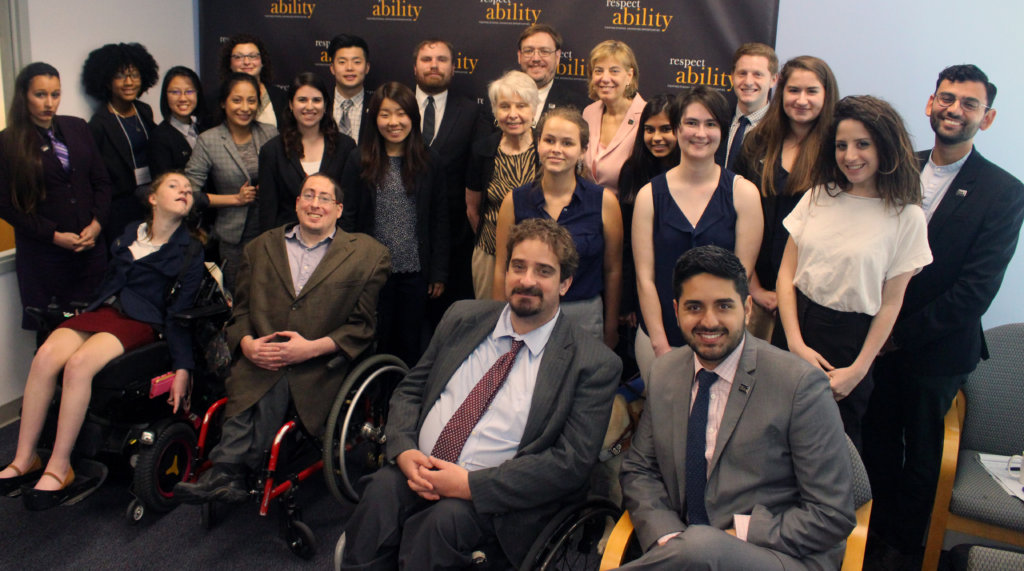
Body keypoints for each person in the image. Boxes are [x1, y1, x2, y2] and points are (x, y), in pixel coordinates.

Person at [338, 218, 621, 570]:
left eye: (544, 271)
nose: (527, 280)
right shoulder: (462, 316)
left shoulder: (592, 363)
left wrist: (471, 485)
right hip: (419, 468)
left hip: (497, 499)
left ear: (565, 283)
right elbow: (411, 390)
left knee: (440, 525)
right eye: (518, 266)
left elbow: (570, 463)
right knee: (379, 494)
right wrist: (405, 449)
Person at [862, 65, 1024, 564]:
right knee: (875, 443)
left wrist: (899, 335)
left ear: (987, 118)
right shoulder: (894, 166)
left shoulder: (1003, 191)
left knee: (923, 457)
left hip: (937, 350)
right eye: (946, 99)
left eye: (969, 104)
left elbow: (974, 292)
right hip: (874, 343)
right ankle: (868, 540)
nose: (955, 110)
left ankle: (910, 551)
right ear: (930, 104)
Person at [618, 245, 855, 569]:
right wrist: (668, 536)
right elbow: (640, 470)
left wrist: (736, 533)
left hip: (779, 555)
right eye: (694, 307)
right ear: (676, 311)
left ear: (746, 309)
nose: (709, 320)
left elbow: (831, 516)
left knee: (703, 544)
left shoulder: (800, 386)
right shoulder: (665, 372)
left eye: (724, 306)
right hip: (685, 552)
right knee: (697, 547)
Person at [173, 173, 390, 503]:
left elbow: (362, 328)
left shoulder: (368, 255)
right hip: (260, 355)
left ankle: (231, 469)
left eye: (324, 198)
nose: (315, 204)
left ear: (339, 209)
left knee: (276, 377)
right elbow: (241, 313)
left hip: (320, 365)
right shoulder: (259, 248)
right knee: (257, 372)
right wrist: (247, 343)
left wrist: (308, 349)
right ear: (297, 203)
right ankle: (228, 473)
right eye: (308, 195)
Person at [0, 172, 204, 509]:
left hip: (142, 319)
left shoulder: (189, 251)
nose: (184, 191)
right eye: (174, 186)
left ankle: (59, 467)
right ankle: (25, 459)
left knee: (79, 365)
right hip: (103, 308)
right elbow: (106, 283)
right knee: (47, 353)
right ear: (152, 198)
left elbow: (179, 317)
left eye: (188, 189)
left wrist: (183, 367)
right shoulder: (128, 234)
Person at [776, 95, 932, 449]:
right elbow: (787, 275)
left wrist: (859, 370)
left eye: (863, 144)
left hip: (849, 343)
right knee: (774, 436)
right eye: (841, 145)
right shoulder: (818, 196)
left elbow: (891, 304)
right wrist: (795, 343)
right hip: (795, 328)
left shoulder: (906, 217)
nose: (850, 156)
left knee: (832, 448)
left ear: (885, 145)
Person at [633, 86, 762, 379]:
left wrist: (722, 344)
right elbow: (645, 279)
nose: (700, 133)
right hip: (659, 338)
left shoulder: (744, 194)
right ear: (678, 128)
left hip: (721, 342)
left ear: (723, 130)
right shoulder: (649, 196)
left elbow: (740, 280)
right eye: (691, 123)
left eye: (711, 124)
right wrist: (660, 345)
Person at [492, 107, 623, 348]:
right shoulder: (514, 201)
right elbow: (501, 267)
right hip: (524, 314)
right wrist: (500, 324)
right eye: (549, 140)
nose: (556, 149)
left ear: (583, 150)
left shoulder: (604, 202)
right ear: (538, 143)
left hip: (582, 317)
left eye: (567, 143)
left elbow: (613, 270)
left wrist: (611, 326)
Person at [340, 82, 448, 367]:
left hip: (415, 272)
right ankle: (373, 404)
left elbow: (439, 218)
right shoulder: (358, 160)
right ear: (374, 118)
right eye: (385, 114)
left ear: (413, 116)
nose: (393, 122)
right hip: (372, 272)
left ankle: (402, 402)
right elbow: (348, 217)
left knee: (410, 346)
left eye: (400, 114)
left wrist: (438, 271)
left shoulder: (429, 160)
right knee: (375, 343)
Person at [0, 62, 112, 333]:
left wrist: (96, 225)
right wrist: (54, 235)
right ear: (24, 95)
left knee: (96, 331)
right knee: (53, 336)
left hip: (90, 250)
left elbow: (102, 182)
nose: (49, 103)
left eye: (55, 94)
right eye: (40, 95)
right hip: (46, 256)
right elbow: (7, 206)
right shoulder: (8, 142)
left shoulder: (77, 127)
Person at [735, 56, 838, 346]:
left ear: (826, 95)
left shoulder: (837, 152)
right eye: (794, 90)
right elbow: (736, 217)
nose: (801, 100)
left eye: (812, 91)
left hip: (810, 300)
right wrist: (752, 286)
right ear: (780, 93)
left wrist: (789, 297)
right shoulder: (757, 143)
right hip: (754, 291)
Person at [184, 72, 278, 293]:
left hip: (270, 231)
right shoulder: (209, 140)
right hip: (233, 237)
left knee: (271, 295)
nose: (245, 107)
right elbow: (189, 192)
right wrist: (234, 199)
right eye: (237, 100)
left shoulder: (270, 133)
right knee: (240, 295)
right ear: (223, 103)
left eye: (251, 100)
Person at [412, 38, 484, 318]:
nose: (434, 65)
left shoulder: (470, 112)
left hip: (454, 237)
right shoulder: (394, 107)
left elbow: (474, 173)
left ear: (453, 69)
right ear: (414, 67)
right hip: (402, 229)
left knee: (448, 315)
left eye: (442, 59)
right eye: (426, 59)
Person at [465, 70, 540, 299]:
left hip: (538, 258)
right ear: (495, 111)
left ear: (534, 109)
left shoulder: (547, 150)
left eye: (521, 106)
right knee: (491, 322)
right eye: (505, 106)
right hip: (489, 255)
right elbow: (473, 210)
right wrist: (495, 247)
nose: (513, 114)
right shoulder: (482, 150)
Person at [257, 72, 356, 231]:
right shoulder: (272, 151)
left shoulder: (346, 147)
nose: (309, 107)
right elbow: (268, 214)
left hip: (336, 246)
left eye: (316, 100)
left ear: (325, 105)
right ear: (291, 104)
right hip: (287, 244)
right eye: (302, 100)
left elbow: (350, 208)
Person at [82, 42, 159, 243]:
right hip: (121, 209)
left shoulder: (144, 111)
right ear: (107, 81)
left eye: (134, 75)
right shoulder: (99, 124)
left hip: (152, 201)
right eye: (120, 76)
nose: (129, 82)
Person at [617, 94, 681, 334]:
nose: (656, 138)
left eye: (666, 129)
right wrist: (627, 302)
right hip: (638, 287)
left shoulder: (693, 173)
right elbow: (624, 245)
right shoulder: (632, 172)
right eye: (649, 130)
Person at [582, 40, 645, 196]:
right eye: (598, 71)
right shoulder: (588, 113)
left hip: (627, 211)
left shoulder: (646, 116)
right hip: (587, 207)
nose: (605, 78)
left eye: (614, 71)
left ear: (629, 76)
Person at [716, 42, 778, 172]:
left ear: (773, 79)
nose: (748, 81)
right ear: (732, 77)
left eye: (757, 74)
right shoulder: (717, 120)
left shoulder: (782, 130)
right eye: (742, 73)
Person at [516, 23, 590, 125]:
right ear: (519, 56)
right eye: (529, 51)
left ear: (557, 57)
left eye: (544, 51)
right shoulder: (499, 98)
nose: (536, 58)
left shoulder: (579, 107)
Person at [149, 66, 208, 178]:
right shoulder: (159, 138)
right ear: (165, 96)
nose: (183, 98)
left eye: (189, 91)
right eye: (175, 92)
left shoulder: (203, 130)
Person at [218, 33, 287, 127]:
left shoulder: (280, 96)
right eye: (238, 57)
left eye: (253, 56)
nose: (247, 62)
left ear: (262, 61)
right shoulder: (217, 98)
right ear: (229, 63)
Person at [327, 33, 372, 143]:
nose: (349, 68)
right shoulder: (320, 104)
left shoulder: (377, 105)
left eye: (357, 62)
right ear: (332, 68)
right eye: (342, 62)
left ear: (367, 67)